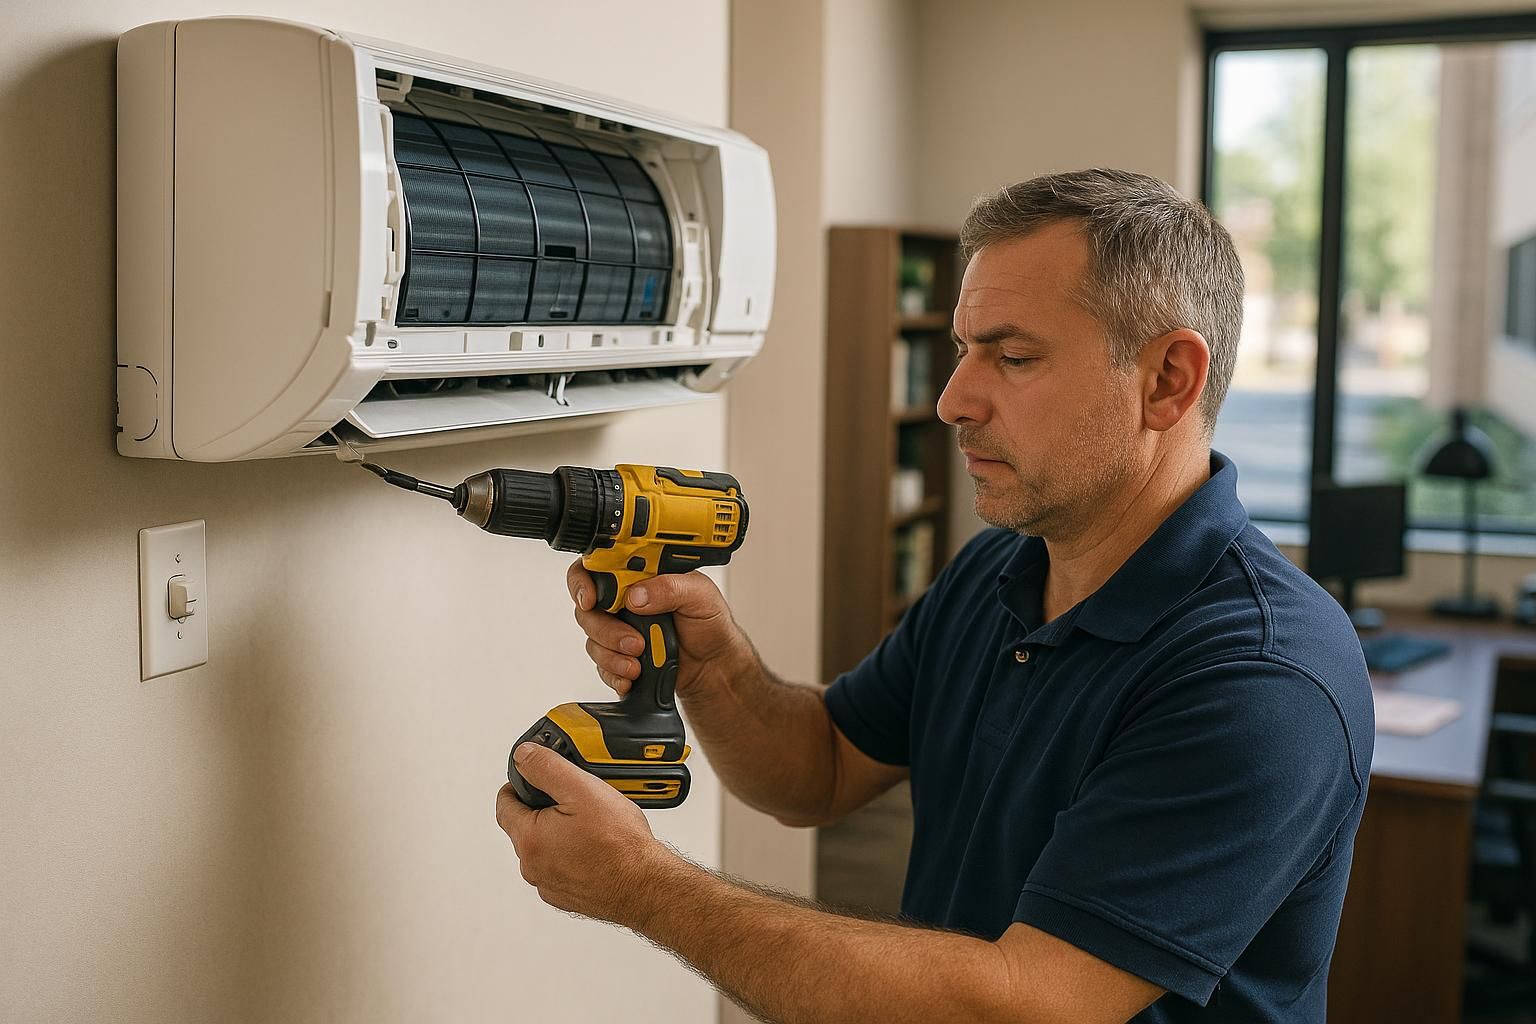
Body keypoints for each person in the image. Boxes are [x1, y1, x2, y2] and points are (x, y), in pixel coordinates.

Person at [497, 167, 1374, 1024]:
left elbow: (1028, 1003)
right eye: (962, 349)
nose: (954, 399)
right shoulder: (1000, 569)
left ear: (1167, 381)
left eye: (1015, 356)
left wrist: (648, 890)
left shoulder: (1261, 679)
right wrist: (714, 669)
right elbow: (824, 770)